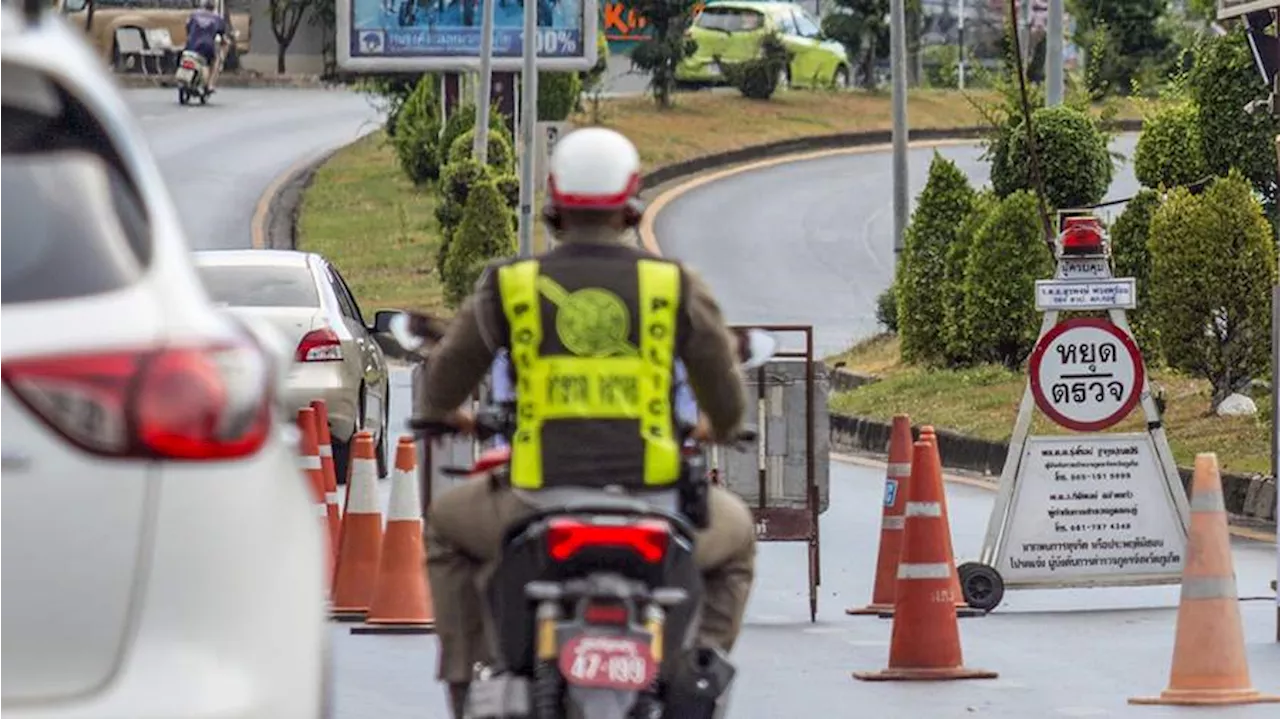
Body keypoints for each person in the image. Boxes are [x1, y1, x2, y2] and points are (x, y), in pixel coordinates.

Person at [418, 126, 757, 719]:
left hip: (533, 502)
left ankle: (468, 685)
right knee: (736, 538)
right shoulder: (672, 285)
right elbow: (726, 400)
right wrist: (718, 429)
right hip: (657, 501)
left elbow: (443, 382)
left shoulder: (512, 286)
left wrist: (449, 416)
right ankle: (694, 673)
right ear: (631, 201)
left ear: (554, 199)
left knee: (446, 526)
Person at [184, 0, 228, 91]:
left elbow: (187, 28)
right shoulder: (217, 19)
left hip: (191, 45)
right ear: (214, 7)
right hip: (207, 47)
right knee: (216, 60)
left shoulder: (193, 15)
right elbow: (223, 36)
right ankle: (210, 84)